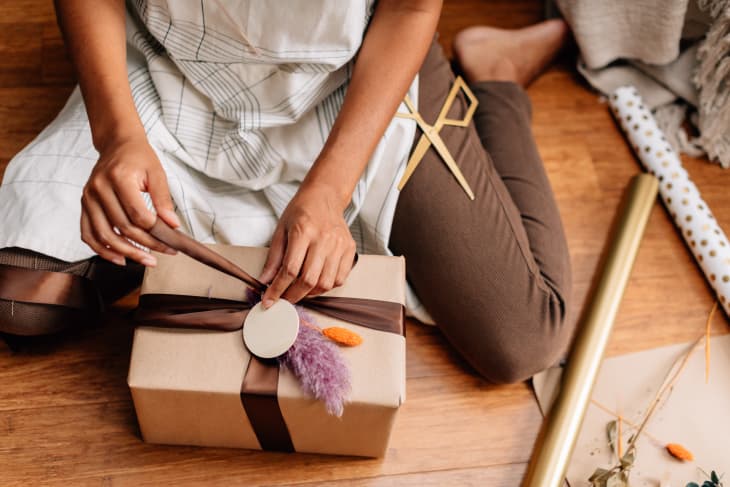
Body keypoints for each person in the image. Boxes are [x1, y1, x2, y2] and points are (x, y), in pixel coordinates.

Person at [0, 0, 572, 384]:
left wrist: (328, 194)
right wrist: (117, 135)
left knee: (521, 340)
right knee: (23, 302)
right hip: (170, 70)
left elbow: (412, 6)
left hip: (349, 81)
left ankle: (498, 76)